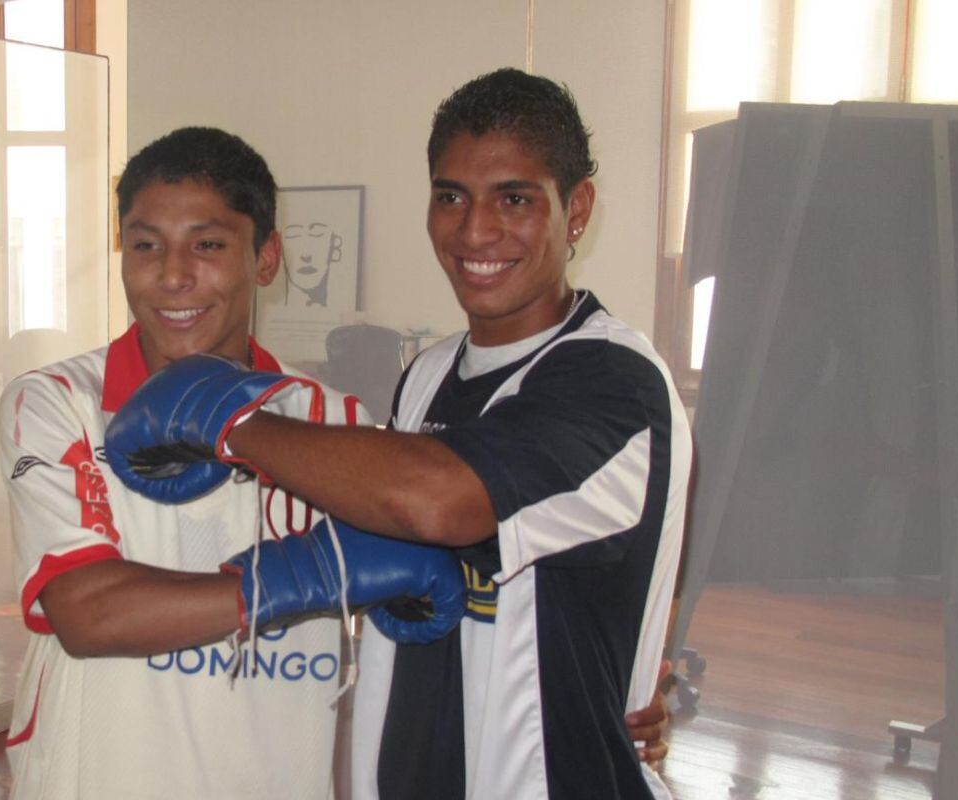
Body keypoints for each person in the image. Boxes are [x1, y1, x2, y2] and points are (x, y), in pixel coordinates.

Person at [109, 69, 689, 799]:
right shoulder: (430, 372)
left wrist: (225, 416)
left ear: (576, 210)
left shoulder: (615, 378)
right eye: (451, 197)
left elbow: (438, 501)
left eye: (514, 198)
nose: (475, 230)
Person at [0, 126, 468, 799]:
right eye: (145, 244)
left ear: (267, 257)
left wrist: (617, 699)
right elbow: (88, 613)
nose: (172, 273)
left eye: (209, 244)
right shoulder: (57, 404)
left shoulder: (337, 425)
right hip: (94, 777)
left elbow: (455, 589)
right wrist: (312, 571)